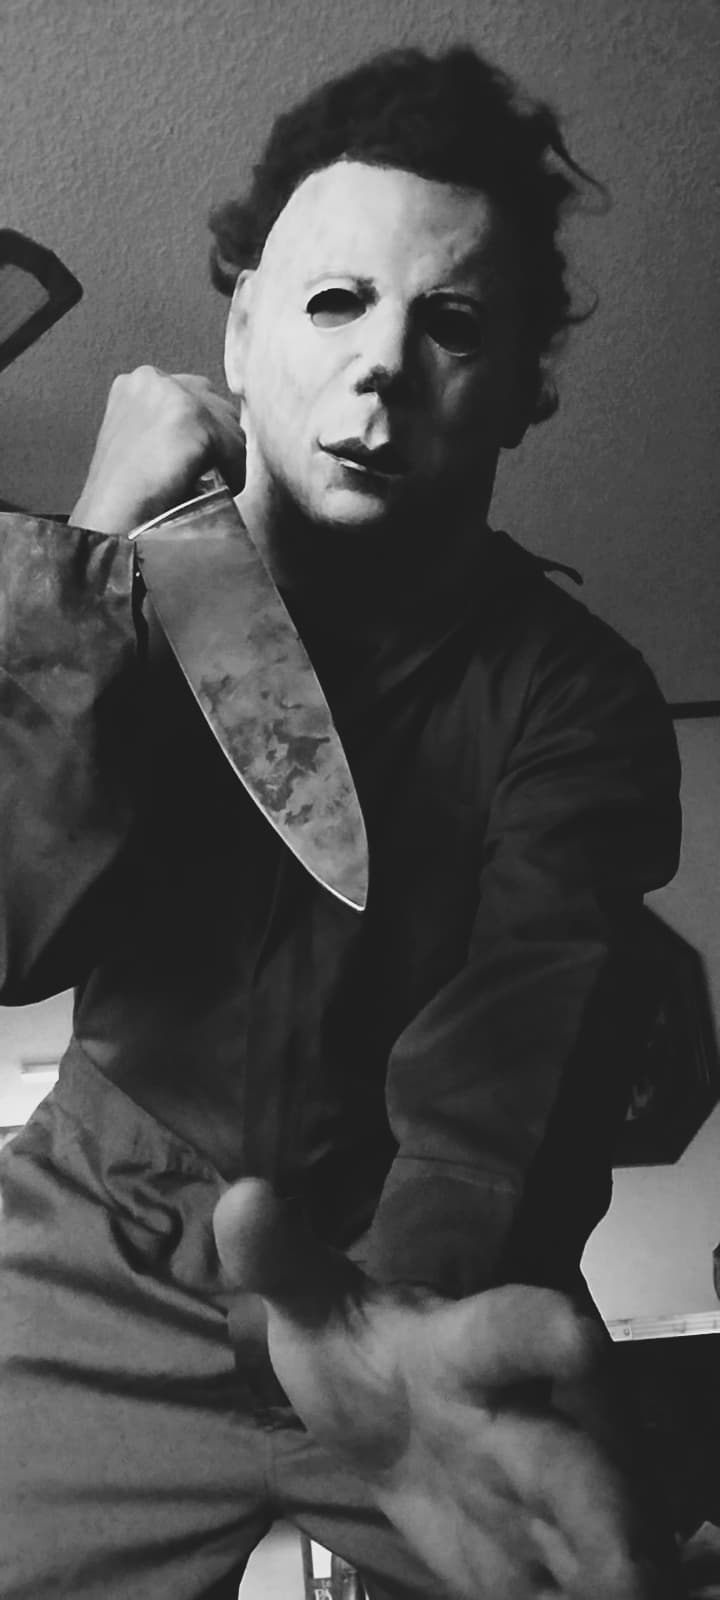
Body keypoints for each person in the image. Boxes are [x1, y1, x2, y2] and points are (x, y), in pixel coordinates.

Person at [0, 44, 683, 1600]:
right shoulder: (123, 596)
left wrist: (412, 1304)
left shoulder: (576, 698)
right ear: (242, 331)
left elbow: (531, 1025)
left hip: (415, 1324)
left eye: (452, 323)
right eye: (333, 302)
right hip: (85, 1272)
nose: (381, 364)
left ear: (520, 390)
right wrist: (87, 552)